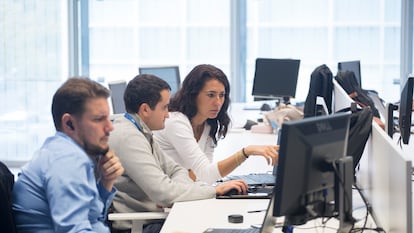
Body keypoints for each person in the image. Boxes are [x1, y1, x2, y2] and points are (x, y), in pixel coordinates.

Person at [108, 74, 247, 233]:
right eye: (164, 107)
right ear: (145, 109)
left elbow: (176, 170)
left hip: (155, 217)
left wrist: (174, 193)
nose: (168, 114)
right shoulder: (129, 138)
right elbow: (163, 192)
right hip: (140, 226)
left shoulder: (142, 132)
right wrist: (214, 191)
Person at [12, 77, 124, 233]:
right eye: (99, 119)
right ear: (69, 123)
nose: (110, 127)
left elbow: (92, 219)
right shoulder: (67, 159)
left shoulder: (61, 151)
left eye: (108, 118)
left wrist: (106, 183)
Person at [153, 64, 279, 184]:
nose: (218, 102)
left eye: (222, 95)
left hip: (183, 193)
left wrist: (195, 175)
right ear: (193, 95)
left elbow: (205, 178)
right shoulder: (176, 122)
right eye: (211, 95)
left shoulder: (207, 124)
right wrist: (246, 152)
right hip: (165, 202)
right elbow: (206, 174)